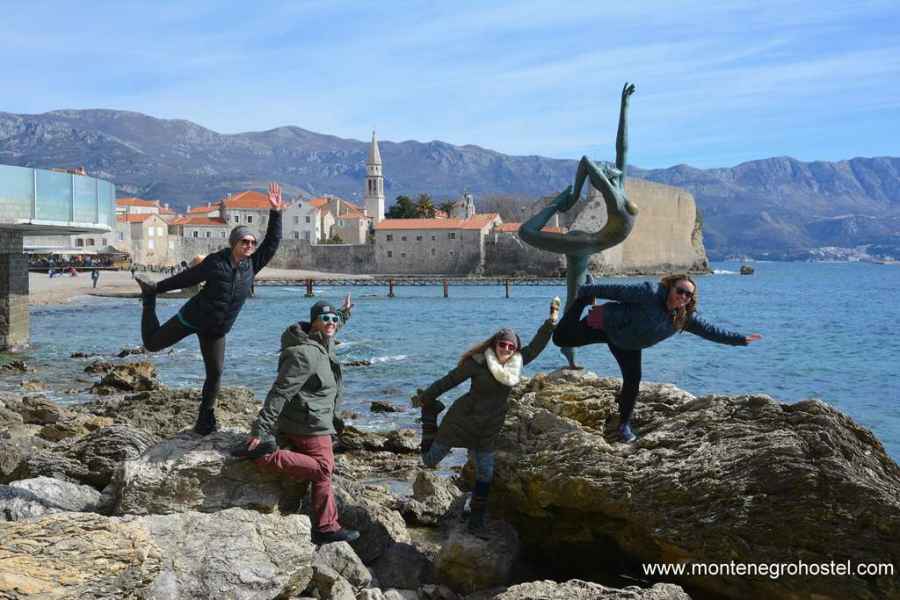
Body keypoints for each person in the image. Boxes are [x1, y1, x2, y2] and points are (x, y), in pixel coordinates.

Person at [135, 183, 284, 435]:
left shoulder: (252, 265)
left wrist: (276, 212)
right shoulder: (216, 262)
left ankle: (205, 419)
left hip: (216, 330)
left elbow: (272, 242)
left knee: (215, 374)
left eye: (252, 242)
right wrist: (156, 288)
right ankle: (148, 301)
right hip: (192, 318)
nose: (249, 245)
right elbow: (188, 278)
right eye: (244, 241)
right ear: (235, 242)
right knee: (152, 345)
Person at [553, 274, 763, 443]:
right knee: (560, 338)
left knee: (633, 379)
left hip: (629, 344)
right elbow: (617, 291)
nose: (683, 296)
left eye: (688, 295)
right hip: (607, 325)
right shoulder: (650, 292)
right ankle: (582, 301)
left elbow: (711, 331)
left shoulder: (684, 318)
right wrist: (588, 291)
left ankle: (623, 425)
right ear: (670, 287)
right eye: (680, 291)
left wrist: (740, 339)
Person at [412, 301, 559, 536]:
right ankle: (430, 416)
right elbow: (449, 380)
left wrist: (550, 323)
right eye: (503, 344)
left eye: (511, 346)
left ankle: (476, 523)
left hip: (489, 427)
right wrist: (426, 398)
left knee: (485, 474)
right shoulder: (478, 362)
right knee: (430, 461)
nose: (507, 349)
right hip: (462, 420)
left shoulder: (515, 365)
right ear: (495, 344)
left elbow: (535, 348)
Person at [235, 296, 358, 546]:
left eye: (334, 319)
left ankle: (325, 526)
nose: (331, 323)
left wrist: (344, 314)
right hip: (310, 424)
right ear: (314, 323)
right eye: (326, 319)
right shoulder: (306, 354)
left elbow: (333, 326)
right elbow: (281, 391)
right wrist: (261, 428)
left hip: (304, 418)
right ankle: (265, 456)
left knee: (323, 473)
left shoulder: (322, 340)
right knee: (324, 470)